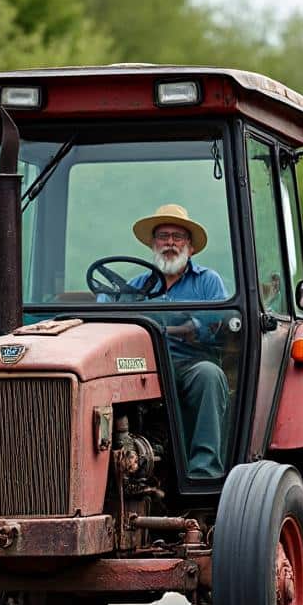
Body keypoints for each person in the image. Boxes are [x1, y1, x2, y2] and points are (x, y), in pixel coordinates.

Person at [122, 203, 230, 478]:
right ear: (153, 244)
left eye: (177, 237)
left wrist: (185, 328)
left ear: (190, 247)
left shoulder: (207, 282)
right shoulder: (136, 285)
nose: (170, 242)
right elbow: (110, 309)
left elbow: (216, 326)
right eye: (163, 236)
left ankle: (204, 470)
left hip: (191, 362)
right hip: (142, 363)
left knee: (209, 375)